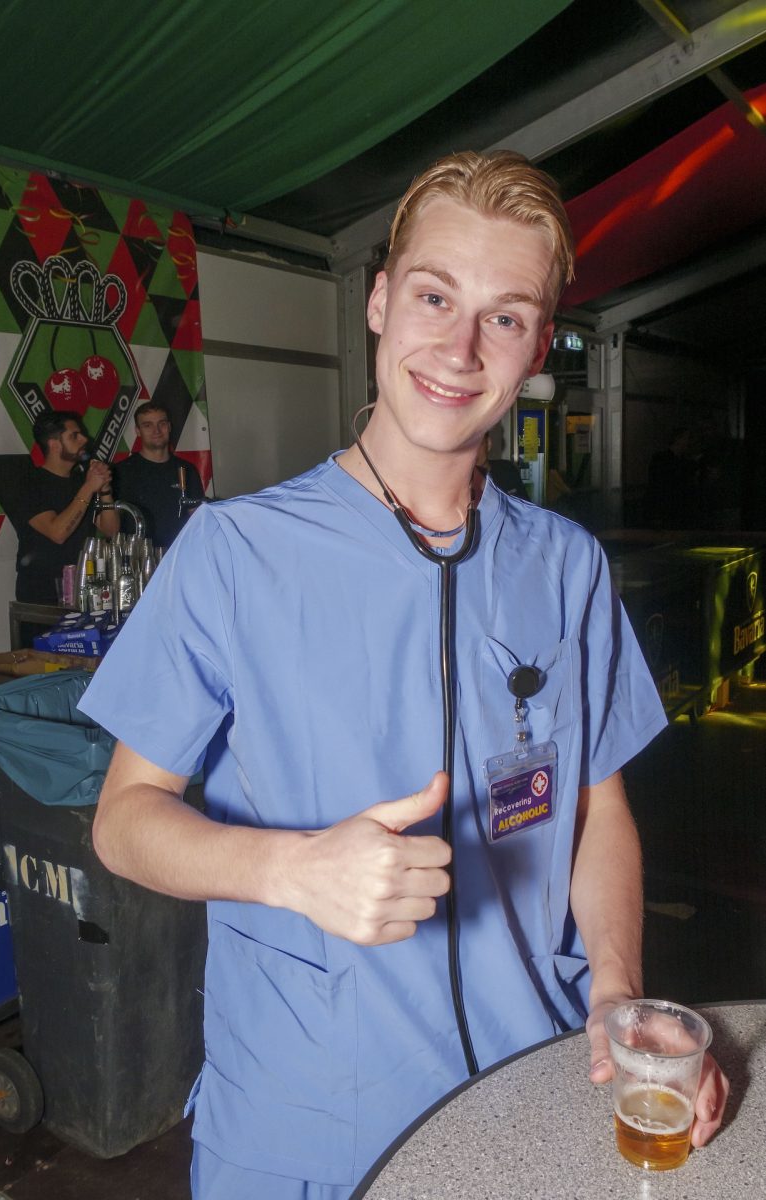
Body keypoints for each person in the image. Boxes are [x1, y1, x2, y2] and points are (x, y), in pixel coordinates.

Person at [79, 151, 729, 1199]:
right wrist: (291, 870)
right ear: (379, 302)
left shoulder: (565, 566)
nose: (459, 349)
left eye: (504, 316)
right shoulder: (238, 554)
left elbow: (596, 807)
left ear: (538, 349)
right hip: (307, 1124)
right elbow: (123, 821)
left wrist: (615, 988)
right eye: (433, 296)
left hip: (528, 1090)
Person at [12, 410, 118, 605]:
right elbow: (58, 533)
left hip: (83, 589)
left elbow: (111, 530)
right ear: (54, 445)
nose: (84, 439)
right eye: (74, 436)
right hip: (42, 595)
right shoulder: (29, 483)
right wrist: (89, 487)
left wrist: (104, 490)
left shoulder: (81, 481)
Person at [113, 402, 204, 548]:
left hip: (178, 554)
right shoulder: (120, 471)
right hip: (136, 557)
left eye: (162, 424)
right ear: (138, 431)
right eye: (148, 425)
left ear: (169, 427)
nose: (156, 430)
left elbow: (197, 519)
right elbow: (109, 528)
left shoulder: (187, 469)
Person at [477, 429, 528, 497]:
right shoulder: (464, 481)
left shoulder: (507, 470)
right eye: (467, 447)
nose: (473, 453)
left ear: (488, 444)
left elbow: (522, 501)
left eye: (478, 445)